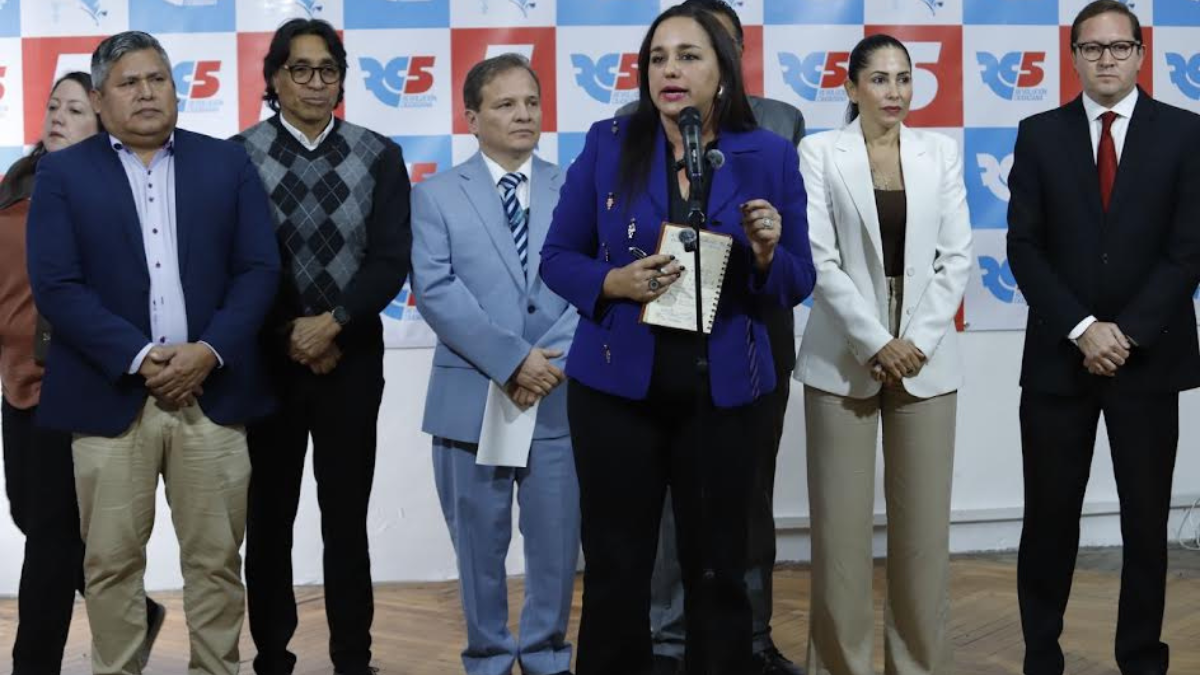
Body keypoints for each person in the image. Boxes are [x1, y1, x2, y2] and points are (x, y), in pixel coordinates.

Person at [540, 5, 815, 674]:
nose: (671, 70)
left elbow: (797, 278)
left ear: (723, 71)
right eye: (658, 57)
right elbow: (557, 255)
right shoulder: (608, 142)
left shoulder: (769, 155)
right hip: (615, 388)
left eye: (689, 56)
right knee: (615, 568)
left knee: (720, 569)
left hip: (721, 389)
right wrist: (614, 282)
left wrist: (764, 253)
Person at [25, 31, 280, 675]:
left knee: (217, 561)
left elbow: (257, 270)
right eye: (129, 82)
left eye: (157, 79)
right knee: (110, 564)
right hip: (109, 396)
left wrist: (210, 351)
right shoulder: (62, 172)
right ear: (102, 101)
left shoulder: (226, 163)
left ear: (176, 89)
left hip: (213, 394)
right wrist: (141, 357)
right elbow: (56, 285)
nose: (146, 92)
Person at [1006, 2, 1200, 674]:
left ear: (1142, 54)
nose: (1107, 59)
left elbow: (1188, 249)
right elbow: (1024, 248)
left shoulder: (1185, 133)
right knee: (1048, 520)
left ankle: (1142, 657)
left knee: (1145, 524)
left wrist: (1129, 333)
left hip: (1150, 361)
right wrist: (1086, 329)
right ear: (1075, 56)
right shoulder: (1039, 133)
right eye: (1093, 48)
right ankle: (1040, 656)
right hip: (1060, 359)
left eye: (1120, 47)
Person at [617, 2, 806, 673]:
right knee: (667, 504)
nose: (687, 63)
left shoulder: (780, 126)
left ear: (736, 52)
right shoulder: (634, 131)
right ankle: (668, 638)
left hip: (751, 335)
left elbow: (796, 244)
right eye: (676, 51)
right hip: (662, 339)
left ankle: (749, 636)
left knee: (747, 498)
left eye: (712, 46)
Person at [233, 18, 411, 675]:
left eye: (327, 69)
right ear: (274, 78)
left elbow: (391, 259)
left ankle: (351, 656)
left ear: (341, 78)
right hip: (267, 364)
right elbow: (239, 261)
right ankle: (272, 654)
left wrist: (332, 322)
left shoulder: (379, 153)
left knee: (345, 519)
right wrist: (291, 333)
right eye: (300, 69)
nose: (315, 82)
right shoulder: (239, 155)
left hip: (352, 360)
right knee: (269, 517)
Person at [794, 33, 972, 675]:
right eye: (880, 79)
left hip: (926, 357)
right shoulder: (818, 152)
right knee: (840, 542)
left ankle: (920, 666)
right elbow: (818, 259)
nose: (894, 92)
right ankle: (840, 666)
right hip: (843, 355)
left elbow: (957, 259)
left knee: (924, 541)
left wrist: (914, 343)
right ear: (851, 87)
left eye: (904, 79)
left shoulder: (940, 153)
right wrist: (876, 340)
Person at [411, 53, 580, 675]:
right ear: (472, 117)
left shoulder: (575, 188)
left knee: (556, 545)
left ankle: (546, 655)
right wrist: (513, 360)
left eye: (532, 102)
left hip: (557, 394)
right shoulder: (433, 194)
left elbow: (590, 284)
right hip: (471, 396)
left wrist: (549, 360)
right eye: (506, 104)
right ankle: (486, 656)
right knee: (478, 546)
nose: (523, 115)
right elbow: (435, 290)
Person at [0, 71, 166, 675]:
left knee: (48, 535)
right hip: (17, 382)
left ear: (101, 125)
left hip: (79, 383)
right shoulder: (13, 185)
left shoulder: (112, 192)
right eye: (53, 105)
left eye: (75, 109)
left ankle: (33, 664)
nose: (58, 116)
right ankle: (138, 613)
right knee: (34, 518)